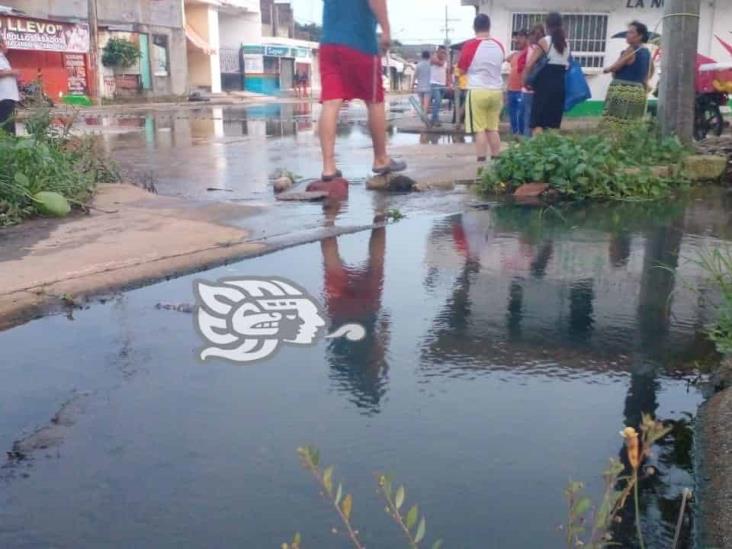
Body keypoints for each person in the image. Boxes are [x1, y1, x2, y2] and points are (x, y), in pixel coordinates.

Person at [319, 0, 406, 181]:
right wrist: (386, 31)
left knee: (331, 102)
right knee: (375, 100)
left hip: (329, 44)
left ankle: (328, 167)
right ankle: (381, 159)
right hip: (359, 43)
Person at [458, 14, 505, 162]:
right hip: (496, 92)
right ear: (489, 26)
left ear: (474, 27)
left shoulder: (470, 46)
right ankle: (497, 159)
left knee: (480, 129)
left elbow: (461, 70)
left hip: (478, 90)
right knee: (493, 128)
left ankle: (480, 162)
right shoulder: (499, 45)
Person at [524, 12, 570, 134]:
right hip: (560, 85)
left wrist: (525, 80)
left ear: (547, 25)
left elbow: (529, 64)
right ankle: (550, 150)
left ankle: (537, 151)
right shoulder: (566, 43)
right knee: (553, 123)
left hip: (544, 86)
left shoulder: (545, 41)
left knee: (538, 122)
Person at [602, 21, 652, 125]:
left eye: (631, 32)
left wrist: (607, 69)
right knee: (631, 123)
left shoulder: (631, 50)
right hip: (638, 91)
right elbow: (650, 71)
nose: (627, 35)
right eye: (628, 32)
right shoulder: (646, 52)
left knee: (615, 122)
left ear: (640, 36)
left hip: (623, 90)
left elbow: (615, 67)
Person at [518, 24, 545, 138]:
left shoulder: (532, 49)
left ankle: (527, 144)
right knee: (538, 120)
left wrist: (524, 81)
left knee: (527, 118)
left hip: (529, 88)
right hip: (541, 88)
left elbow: (528, 66)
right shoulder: (546, 48)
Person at [506, 30, 529, 136]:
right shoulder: (515, 54)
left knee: (521, 117)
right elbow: (504, 59)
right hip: (511, 90)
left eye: (520, 38)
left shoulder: (529, 53)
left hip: (521, 90)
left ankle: (521, 137)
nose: (517, 40)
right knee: (512, 117)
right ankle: (515, 136)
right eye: (516, 38)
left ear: (526, 39)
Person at [0, 35, 20, 136]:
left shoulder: (3, 59)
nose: (7, 46)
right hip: (4, 98)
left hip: (9, 98)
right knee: (6, 128)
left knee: (10, 126)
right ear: (1, 44)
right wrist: (12, 72)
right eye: (5, 43)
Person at [429, 45, 449, 127]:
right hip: (434, 83)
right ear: (437, 52)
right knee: (437, 101)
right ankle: (434, 119)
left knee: (439, 103)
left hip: (442, 84)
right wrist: (445, 57)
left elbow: (447, 72)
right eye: (441, 52)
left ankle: (435, 118)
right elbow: (440, 63)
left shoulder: (445, 61)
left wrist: (448, 83)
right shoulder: (433, 58)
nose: (443, 54)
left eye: (444, 52)